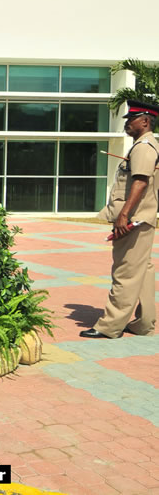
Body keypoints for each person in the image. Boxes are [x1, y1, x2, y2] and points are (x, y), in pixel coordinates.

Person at [82, 100, 159, 339]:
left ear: (145, 121)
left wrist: (124, 215)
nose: (127, 123)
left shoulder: (144, 146)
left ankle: (110, 326)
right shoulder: (144, 145)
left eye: (131, 119)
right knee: (141, 271)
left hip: (134, 220)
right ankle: (144, 323)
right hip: (141, 218)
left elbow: (140, 182)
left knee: (124, 272)